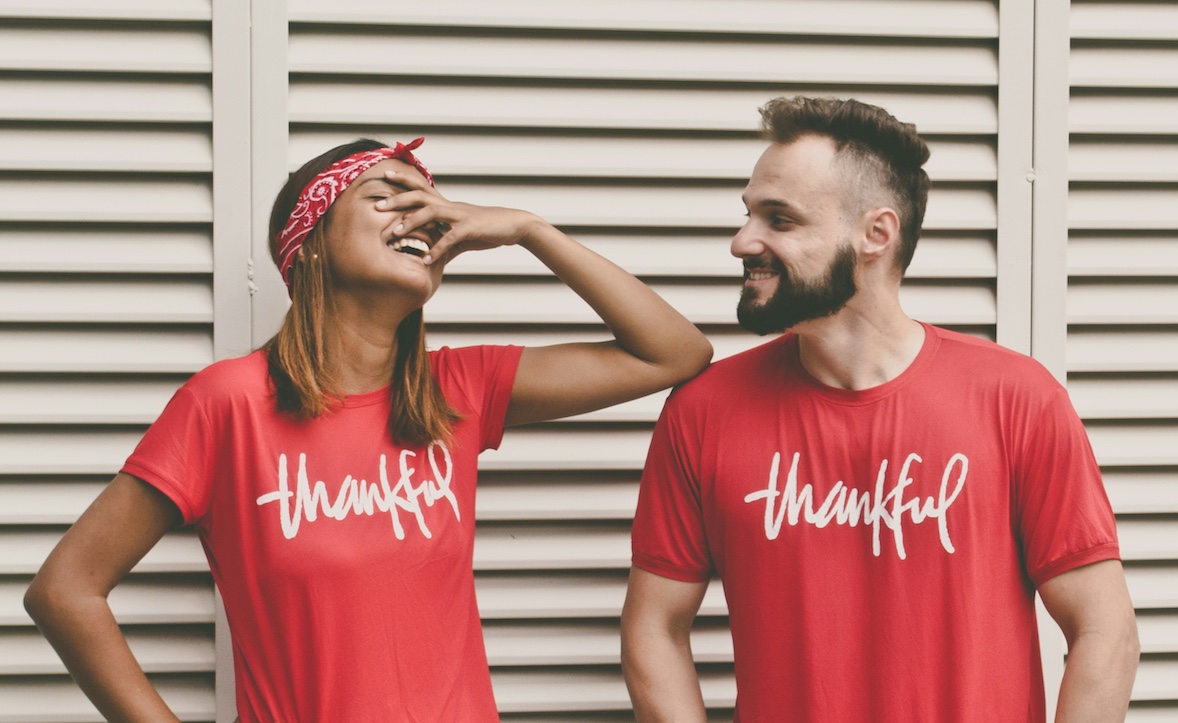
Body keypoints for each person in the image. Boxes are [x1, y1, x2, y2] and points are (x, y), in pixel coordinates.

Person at [25, 137, 713, 722]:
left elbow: (673, 352)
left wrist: (530, 230)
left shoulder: (457, 390)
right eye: (386, 194)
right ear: (312, 240)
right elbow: (65, 590)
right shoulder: (226, 404)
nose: (423, 214)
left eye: (430, 203)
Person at [621, 97, 1140, 722]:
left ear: (876, 234)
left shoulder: (1016, 399)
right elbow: (655, 628)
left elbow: (1105, 632)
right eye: (748, 215)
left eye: (779, 220)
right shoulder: (704, 411)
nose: (742, 242)